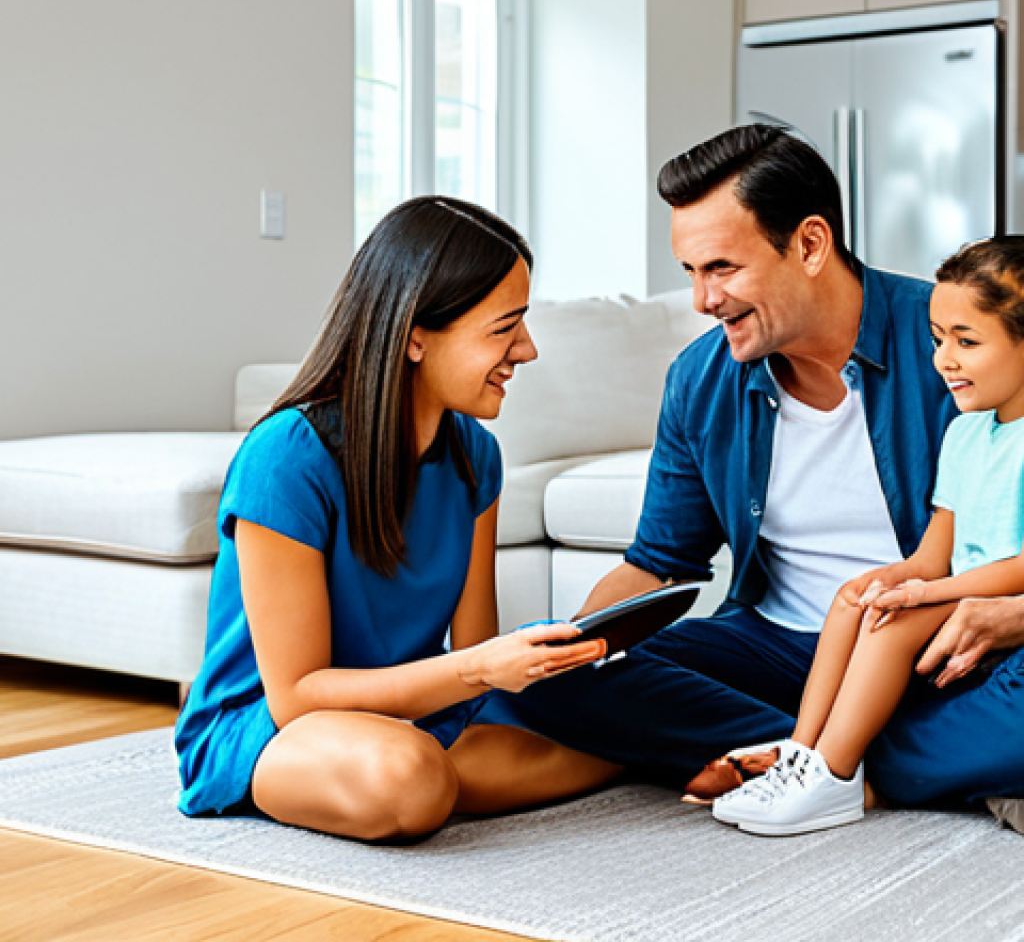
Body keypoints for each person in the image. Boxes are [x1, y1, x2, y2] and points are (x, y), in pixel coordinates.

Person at [468, 124, 972, 801]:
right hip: (776, 649)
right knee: (539, 676)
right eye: (690, 273)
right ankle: (835, 754)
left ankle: (807, 755)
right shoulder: (700, 379)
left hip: (936, 647)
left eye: (722, 269)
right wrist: (576, 645)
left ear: (810, 244)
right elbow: (659, 561)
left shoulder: (954, 342)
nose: (703, 301)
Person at [174, 196, 618, 840]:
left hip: (417, 716)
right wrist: (478, 669)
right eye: (504, 328)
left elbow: (472, 664)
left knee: (626, 730)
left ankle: (667, 758)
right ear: (415, 335)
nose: (527, 350)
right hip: (272, 726)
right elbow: (296, 693)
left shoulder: (475, 458)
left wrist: (531, 666)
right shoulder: (285, 460)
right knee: (411, 781)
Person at [711, 236, 1024, 835]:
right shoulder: (965, 435)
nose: (944, 361)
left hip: (999, 615)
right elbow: (936, 552)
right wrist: (897, 579)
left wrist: (924, 598)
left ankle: (834, 770)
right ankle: (801, 754)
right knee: (858, 597)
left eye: (967, 342)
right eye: (938, 340)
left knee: (895, 619)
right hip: (960, 605)